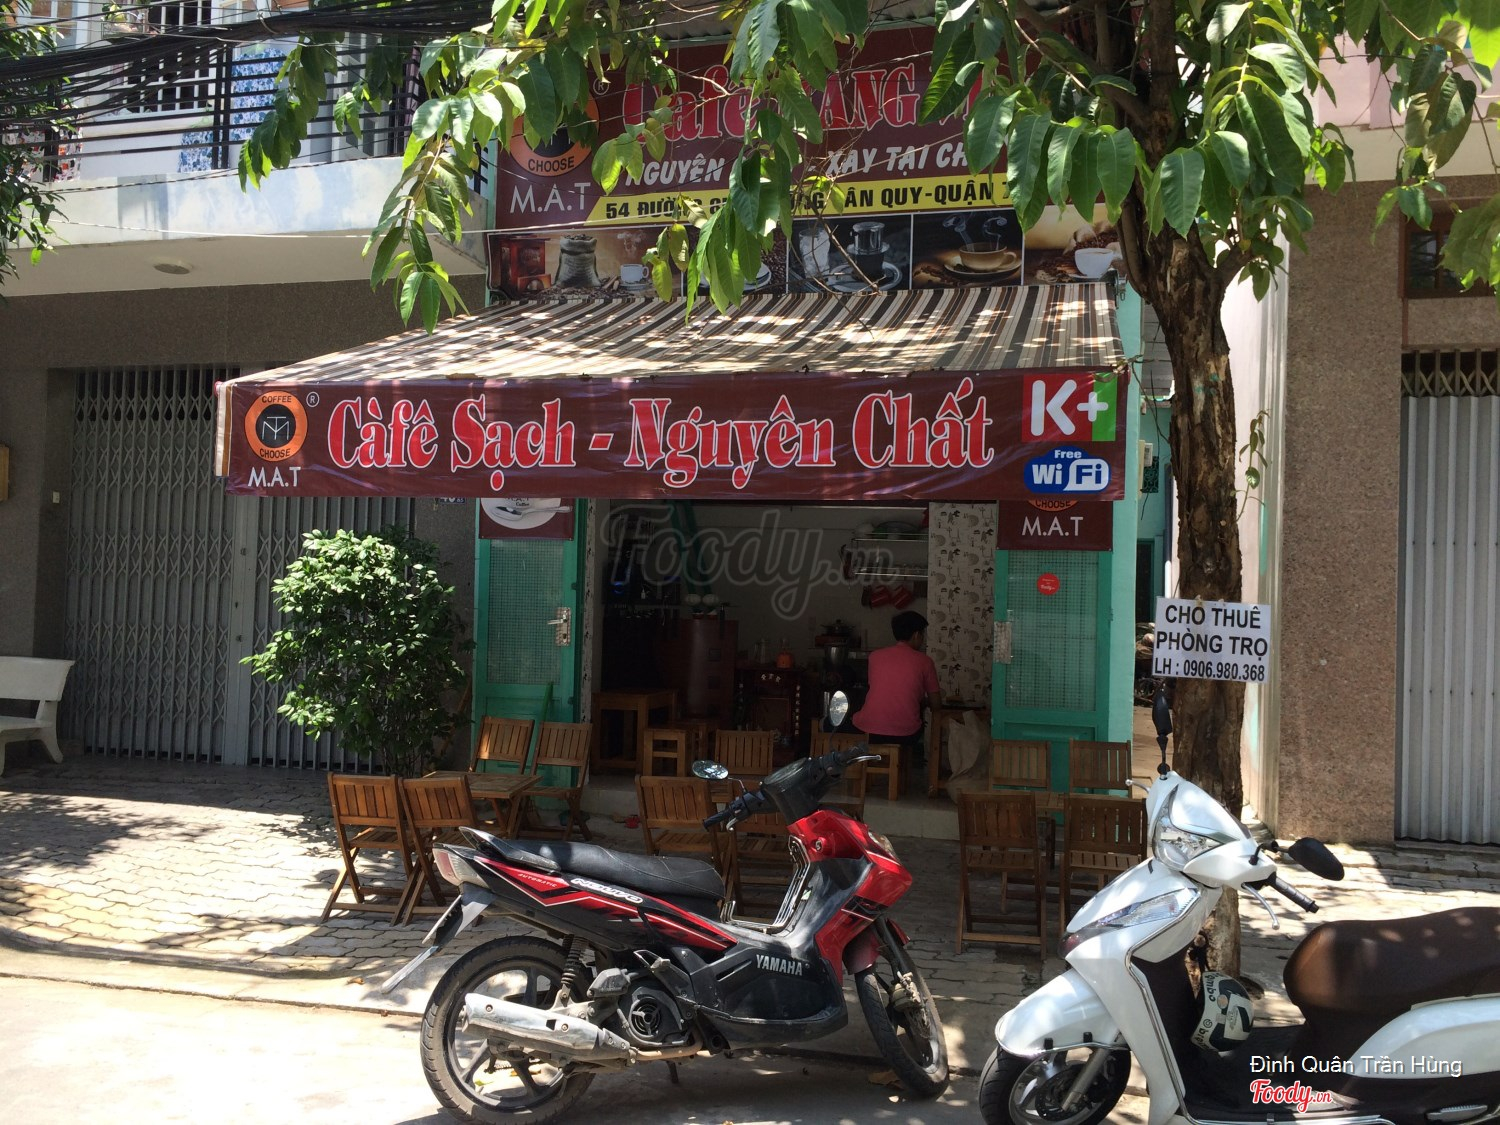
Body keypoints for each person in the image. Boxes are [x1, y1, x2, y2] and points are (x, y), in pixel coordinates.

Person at [852, 610, 940, 764]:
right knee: (915, 718)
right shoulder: (925, 661)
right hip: (906, 734)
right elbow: (936, 704)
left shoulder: (875, 656)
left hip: (870, 730)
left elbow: (884, 690)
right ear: (916, 635)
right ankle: (901, 768)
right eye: (923, 635)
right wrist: (923, 702)